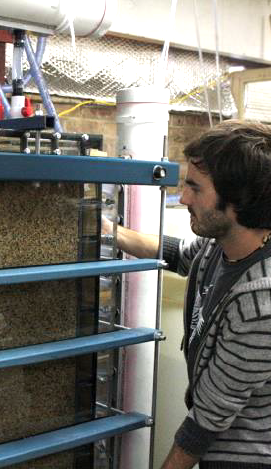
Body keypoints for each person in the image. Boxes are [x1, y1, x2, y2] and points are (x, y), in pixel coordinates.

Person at [112, 120, 271, 468]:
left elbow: (206, 421)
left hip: (245, 458)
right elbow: (178, 253)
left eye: (195, 189)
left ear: (237, 202)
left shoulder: (260, 303)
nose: (183, 198)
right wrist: (110, 232)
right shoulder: (220, 246)